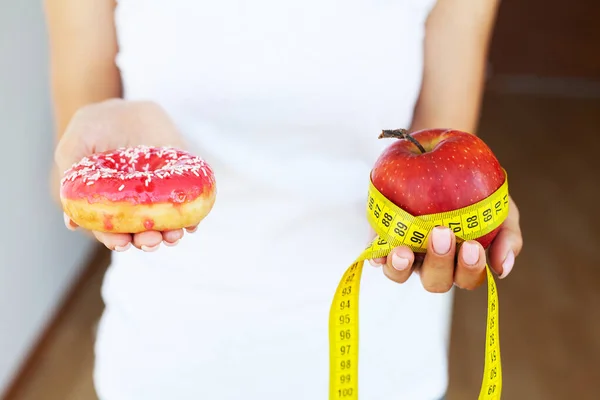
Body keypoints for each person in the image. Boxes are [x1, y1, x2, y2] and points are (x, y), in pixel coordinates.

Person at [45, 0, 523, 399]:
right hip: (166, 355)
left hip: (381, 355)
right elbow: (68, 172)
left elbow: (443, 160)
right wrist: (105, 166)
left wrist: (461, 221)